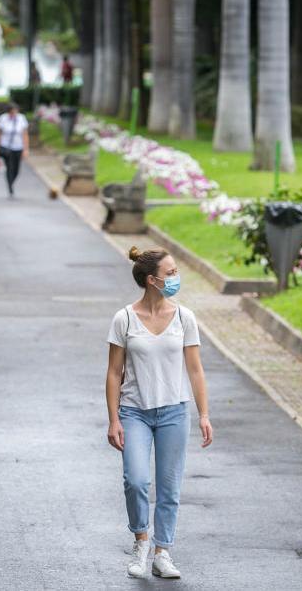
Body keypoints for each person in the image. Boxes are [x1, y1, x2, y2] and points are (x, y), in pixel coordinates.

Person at [106, 247, 212, 580]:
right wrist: (113, 419)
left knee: (169, 488)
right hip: (134, 411)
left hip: (174, 412)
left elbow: (195, 370)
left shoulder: (185, 318)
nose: (175, 278)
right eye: (170, 273)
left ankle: (162, 552)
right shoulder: (123, 319)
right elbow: (113, 372)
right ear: (152, 280)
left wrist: (204, 414)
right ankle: (141, 542)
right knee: (136, 481)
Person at [0, 102, 29, 197]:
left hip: (18, 146)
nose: (14, 114)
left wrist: (25, 149)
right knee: (9, 167)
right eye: (12, 112)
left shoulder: (21, 118)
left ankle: (11, 182)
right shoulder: (3, 119)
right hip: (6, 147)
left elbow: (25, 135)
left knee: (16, 169)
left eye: (15, 112)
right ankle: (10, 186)